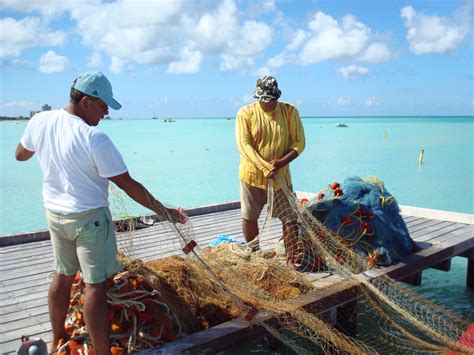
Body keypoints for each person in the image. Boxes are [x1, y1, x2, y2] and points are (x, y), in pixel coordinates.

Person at [15, 71, 187, 354]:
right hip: (90, 220)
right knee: (96, 286)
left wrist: (47, 149)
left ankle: (59, 338)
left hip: (55, 215)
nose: (106, 112)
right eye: (103, 105)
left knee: (62, 274)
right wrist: (165, 212)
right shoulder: (94, 138)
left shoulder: (40, 121)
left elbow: (20, 154)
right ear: (85, 101)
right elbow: (130, 186)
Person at [235, 76, 306, 268]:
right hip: (251, 177)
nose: (268, 103)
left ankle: (291, 261)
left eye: (272, 99)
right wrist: (264, 166)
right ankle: (255, 254)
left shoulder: (290, 111)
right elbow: (244, 145)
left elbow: (300, 143)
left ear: (277, 96)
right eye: (264, 99)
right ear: (258, 97)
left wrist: (281, 163)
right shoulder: (245, 113)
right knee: (250, 216)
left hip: (280, 177)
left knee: (290, 218)